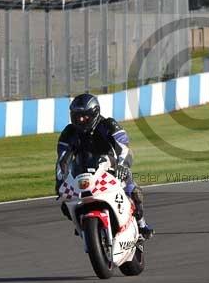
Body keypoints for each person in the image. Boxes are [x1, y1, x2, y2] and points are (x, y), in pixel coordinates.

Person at [55, 93, 154, 239]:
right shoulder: (69, 133)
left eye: (85, 116)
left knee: (132, 191)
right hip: (82, 172)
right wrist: (59, 180)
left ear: (95, 113)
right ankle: (82, 225)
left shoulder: (108, 125)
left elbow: (124, 146)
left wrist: (122, 165)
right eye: (77, 116)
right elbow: (62, 159)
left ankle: (141, 223)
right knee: (65, 202)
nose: (81, 120)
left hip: (110, 168)